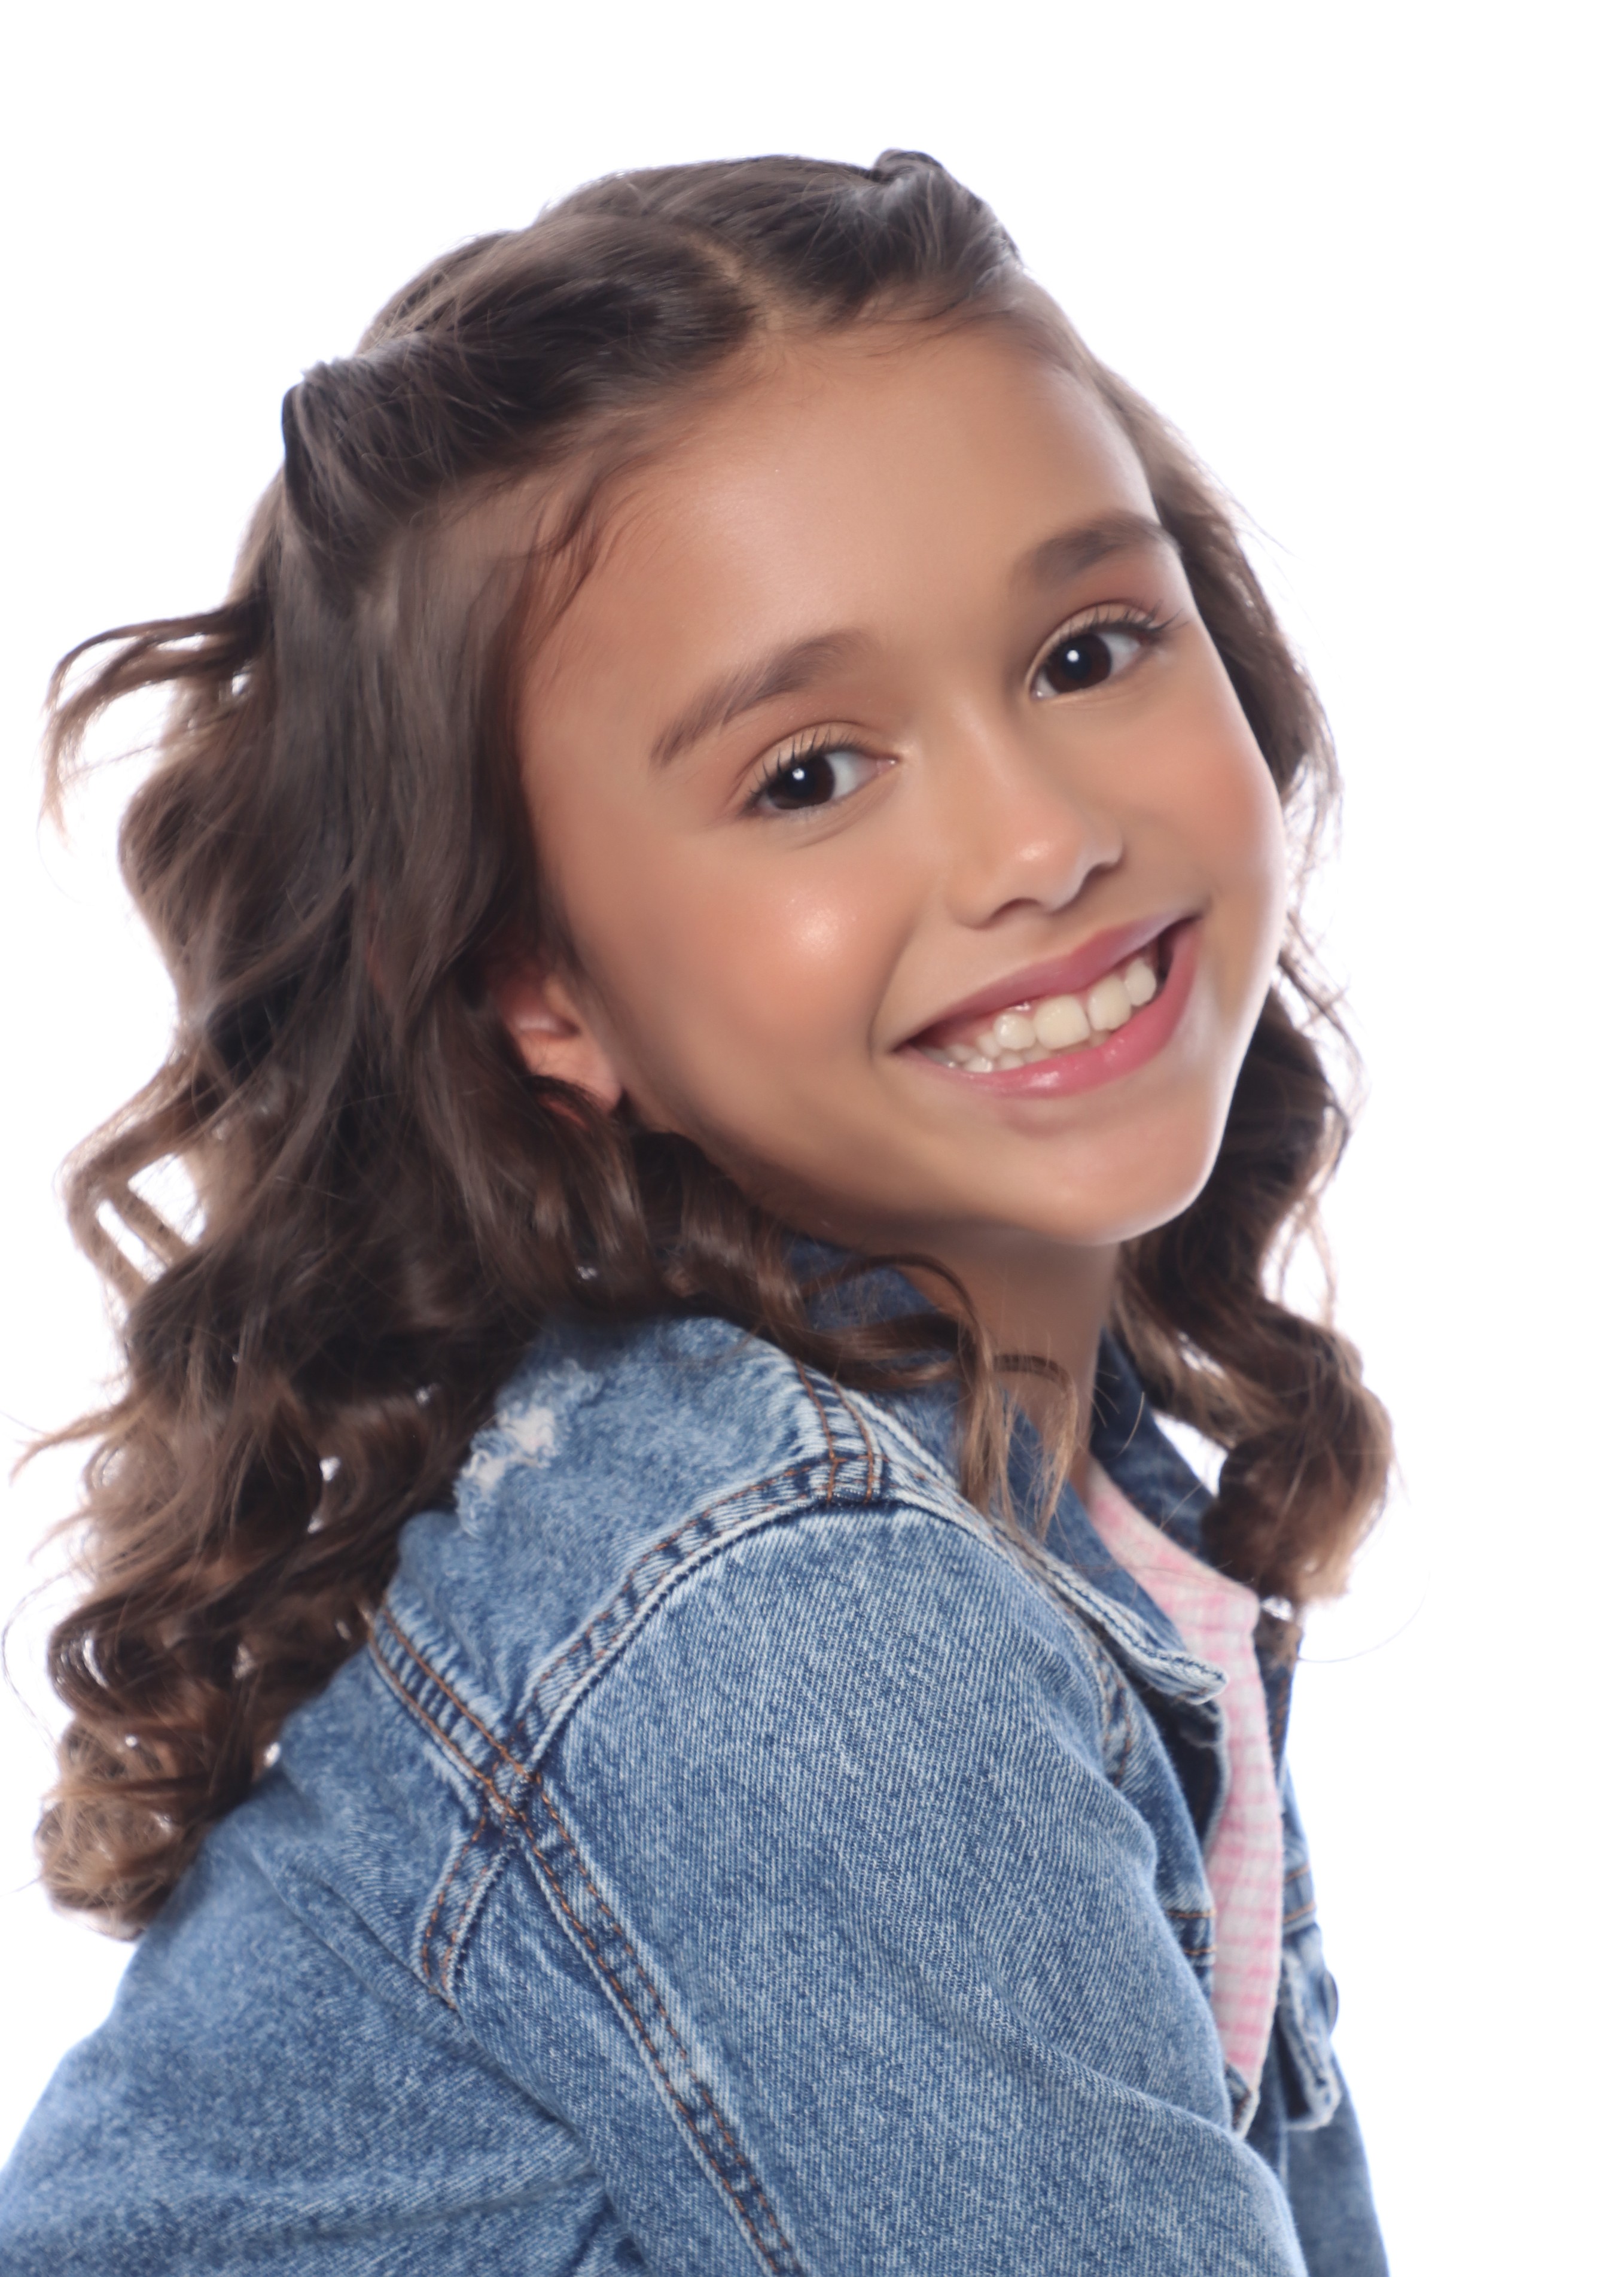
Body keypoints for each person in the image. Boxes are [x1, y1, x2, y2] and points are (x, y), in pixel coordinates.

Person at [0, 152, 1393, 2273]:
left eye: (1087, 648)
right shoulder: (791, 1606)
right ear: (541, 989)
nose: (1039, 841)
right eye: (808, 775)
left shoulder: (1064, 1495)